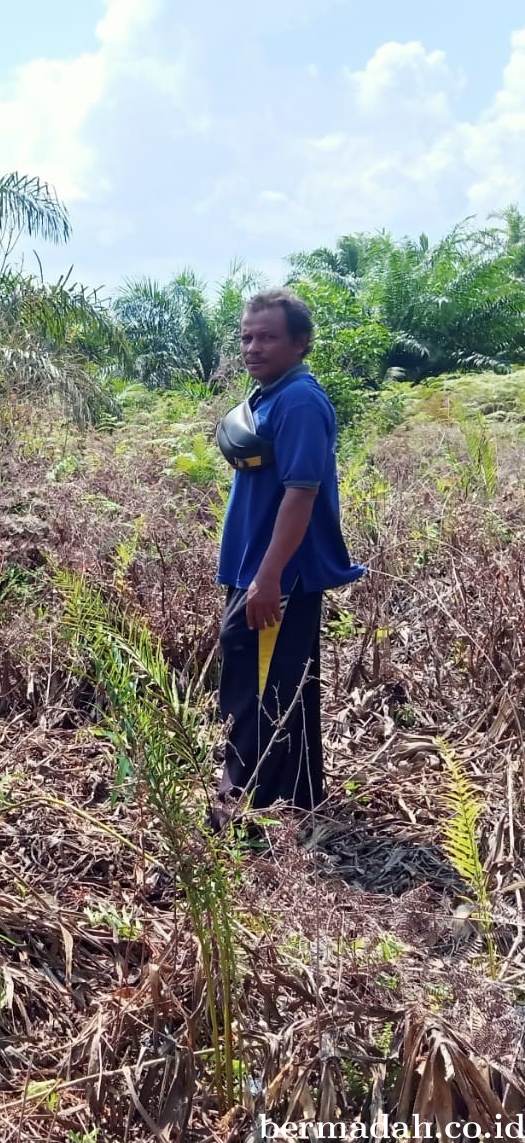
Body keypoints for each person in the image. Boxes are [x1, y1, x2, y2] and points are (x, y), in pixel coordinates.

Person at [212, 288, 365, 828]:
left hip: (278, 574)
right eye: (247, 337)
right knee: (268, 682)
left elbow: (302, 493)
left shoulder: (299, 401)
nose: (253, 347)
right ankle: (291, 800)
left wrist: (270, 574)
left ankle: (252, 809)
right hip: (256, 570)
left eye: (268, 337)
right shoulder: (269, 395)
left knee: (263, 689)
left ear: (300, 343)